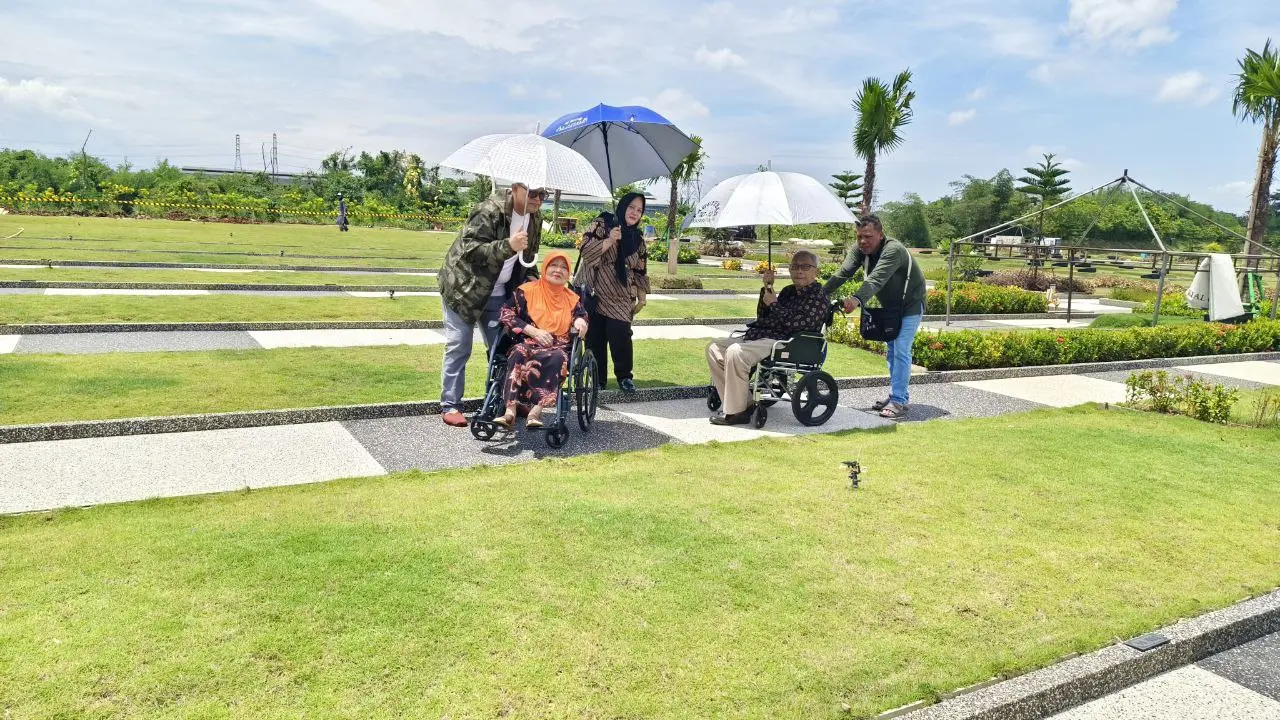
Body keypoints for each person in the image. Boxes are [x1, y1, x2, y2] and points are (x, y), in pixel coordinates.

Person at [437, 183, 547, 427]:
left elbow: (528, 259)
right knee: (459, 346)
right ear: (516, 188)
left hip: (498, 292)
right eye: (533, 193)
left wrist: (533, 281)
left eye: (543, 194)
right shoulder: (488, 210)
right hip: (464, 289)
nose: (538, 199)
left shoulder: (535, 217)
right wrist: (508, 245)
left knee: (503, 349)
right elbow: (470, 250)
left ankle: (505, 402)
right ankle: (450, 405)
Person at [705, 249, 829, 426]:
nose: (799, 271)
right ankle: (744, 403)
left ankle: (737, 412)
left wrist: (775, 304)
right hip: (761, 336)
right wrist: (768, 287)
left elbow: (799, 325)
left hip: (786, 342)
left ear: (816, 271)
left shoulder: (819, 296)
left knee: (736, 352)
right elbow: (764, 316)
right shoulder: (788, 291)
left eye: (805, 267)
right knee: (714, 349)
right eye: (795, 266)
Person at [824, 214, 927, 419]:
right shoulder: (860, 250)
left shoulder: (893, 250)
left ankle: (898, 401)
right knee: (892, 351)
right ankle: (898, 395)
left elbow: (876, 280)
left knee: (901, 349)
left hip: (911, 305)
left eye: (868, 236)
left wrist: (856, 299)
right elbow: (843, 273)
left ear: (880, 235)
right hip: (891, 307)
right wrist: (819, 294)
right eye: (859, 236)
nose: (863, 241)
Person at [493, 251, 589, 430]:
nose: (558, 270)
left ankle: (535, 411)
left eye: (563, 267)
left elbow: (581, 316)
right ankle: (510, 411)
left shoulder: (572, 298)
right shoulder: (526, 291)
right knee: (518, 352)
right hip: (528, 341)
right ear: (545, 268)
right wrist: (533, 331)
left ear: (568, 274)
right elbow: (505, 313)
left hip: (558, 346)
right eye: (554, 265)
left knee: (557, 358)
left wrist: (580, 321)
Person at [575, 192, 649, 394]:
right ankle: (598, 379)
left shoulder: (637, 238)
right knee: (595, 337)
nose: (634, 213)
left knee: (621, 334)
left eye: (639, 210)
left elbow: (641, 270)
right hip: (595, 292)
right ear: (622, 206)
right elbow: (585, 249)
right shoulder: (603, 223)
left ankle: (625, 377)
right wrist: (609, 240)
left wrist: (642, 299)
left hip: (621, 297)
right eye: (631, 207)